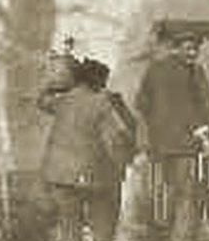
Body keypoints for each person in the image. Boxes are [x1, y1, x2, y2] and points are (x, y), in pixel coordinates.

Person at [41, 57, 138, 241]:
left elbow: (42, 101)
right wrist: (124, 163)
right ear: (100, 81)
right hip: (93, 176)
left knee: (70, 229)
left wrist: (56, 86)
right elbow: (115, 139)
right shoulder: (102, 102)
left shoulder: (63, 100)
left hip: (61, 176)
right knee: (103, 229)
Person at [136, 30, 209, 241]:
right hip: (186, 143)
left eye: (195, 49)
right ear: (177, 48)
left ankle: (171, 234)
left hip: (161, 144)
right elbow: (207, 107)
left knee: (173, 190)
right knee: (187, 194)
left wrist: (156, 128)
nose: (193, 53)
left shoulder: (154, 69)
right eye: (189, 49)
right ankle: (179, 237)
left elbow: (141, 103)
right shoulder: (194, 72)